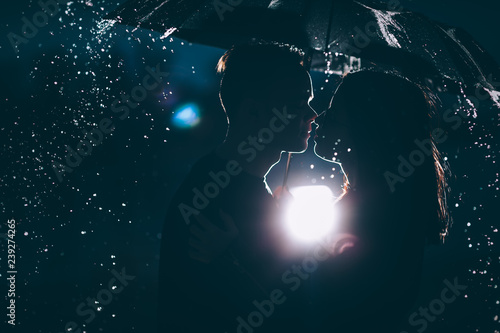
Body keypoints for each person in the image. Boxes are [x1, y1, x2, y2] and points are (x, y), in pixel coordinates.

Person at [157, 42, 317, 333]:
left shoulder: (240, 187)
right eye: (296, 106)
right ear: (253, 112)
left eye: (308, 103)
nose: (312, 115)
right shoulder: (214, 196)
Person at [310, 70, 451, 332]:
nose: (319, 119)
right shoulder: (390, 206)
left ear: (365, 131)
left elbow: (317, 304)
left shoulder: (367, 216)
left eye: (334, 114)